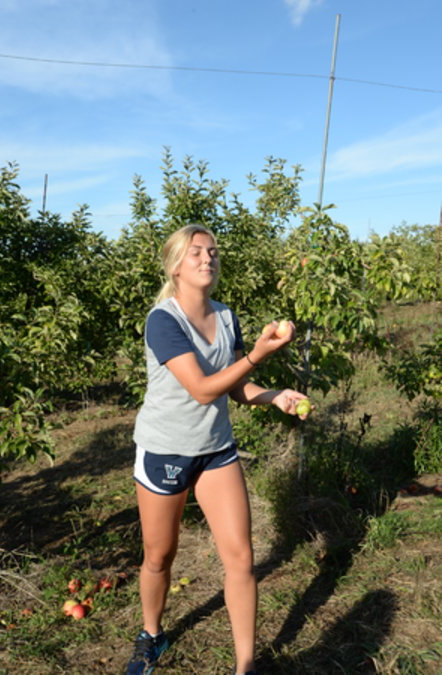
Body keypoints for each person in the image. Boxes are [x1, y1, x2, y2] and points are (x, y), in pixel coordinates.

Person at [126, 224, 311, 675]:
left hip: (215, 449)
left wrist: (273, 396)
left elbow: (234, 385)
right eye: (195, 252)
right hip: (166, 451)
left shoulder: (226, 317)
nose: (207, 258)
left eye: (212, 252)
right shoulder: (163, 321)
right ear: (175, 265)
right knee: (159, 556)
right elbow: (203, 388)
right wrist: (259, 354)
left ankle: (245, 666)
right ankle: (151, 634)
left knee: (241, 558)